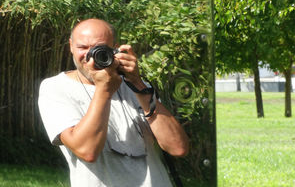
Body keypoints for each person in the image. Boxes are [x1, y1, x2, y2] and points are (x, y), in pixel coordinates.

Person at [38, 18, 189, 187]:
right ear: (71, 46)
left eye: (98, 48)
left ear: (115, 48)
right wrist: (104, 89)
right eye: (82, 47)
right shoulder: (55, 88)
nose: (90, 55)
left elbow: (178, 148)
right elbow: (87, 151)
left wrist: (138, 83)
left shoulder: (137, 86)